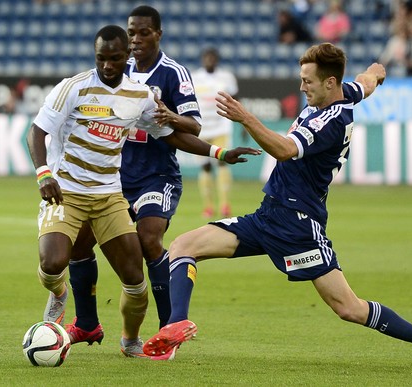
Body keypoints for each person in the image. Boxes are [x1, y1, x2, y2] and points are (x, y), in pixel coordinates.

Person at [142, 43, 412, 375]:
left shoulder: (331, 119)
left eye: (308, 81)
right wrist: (377, 71)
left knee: (349, 308)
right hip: (268, 216)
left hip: (298, 226)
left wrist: (246, 117)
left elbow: (286, 150)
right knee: (184, 246)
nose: (302, 87)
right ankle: (176, 326)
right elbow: (366, 81)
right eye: (301, 79)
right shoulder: (344, 91)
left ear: (329, 83)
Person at [27, 24, 259, 357]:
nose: (107, 65)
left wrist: (219, 153)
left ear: (126, 57)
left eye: (115, 58)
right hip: (67, 191)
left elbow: (172, 135)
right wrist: (43, 174)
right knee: (53, 263)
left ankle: (130, 340)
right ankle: (59, 291)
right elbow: (36, 132)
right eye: (101, 58)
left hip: (109, 196)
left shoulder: (139, 95)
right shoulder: (73, 88)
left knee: (136, 281)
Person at [64, 5, 203, 347]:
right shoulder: (115, 68)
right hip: (113, 177)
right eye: (131, 33)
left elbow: (194, 123)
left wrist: (168, 114)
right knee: (79, 242)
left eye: (143, 33)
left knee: (149, 238)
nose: (136, 39)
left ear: (158, 34)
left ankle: (169, 323)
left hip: (157, 174)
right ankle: (86, 323)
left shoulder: (172, 73)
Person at [191, 47, 239, 218]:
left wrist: (243, 124)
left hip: (221, 127)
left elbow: (236, 101)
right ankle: (209, 206)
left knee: (222, 162)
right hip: (201, 128)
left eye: (213, 57)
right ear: (203, 59)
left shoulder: (227, 77)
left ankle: (225, 205)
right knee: (205, 167)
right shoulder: (195, 78)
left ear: (217, 59)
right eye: (207, 57)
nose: (210, 60)